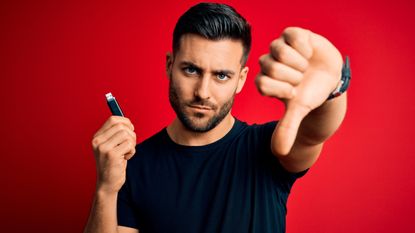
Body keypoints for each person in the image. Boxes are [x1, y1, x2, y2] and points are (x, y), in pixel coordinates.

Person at [84, 2, 348, 233]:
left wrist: (332, 89)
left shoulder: (266, 149)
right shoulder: (133, 165)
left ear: (241, 79)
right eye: (190, 70)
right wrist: (106, 190)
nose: (203, 92)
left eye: (221, 75)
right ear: (169, 66)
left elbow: (314, 132)